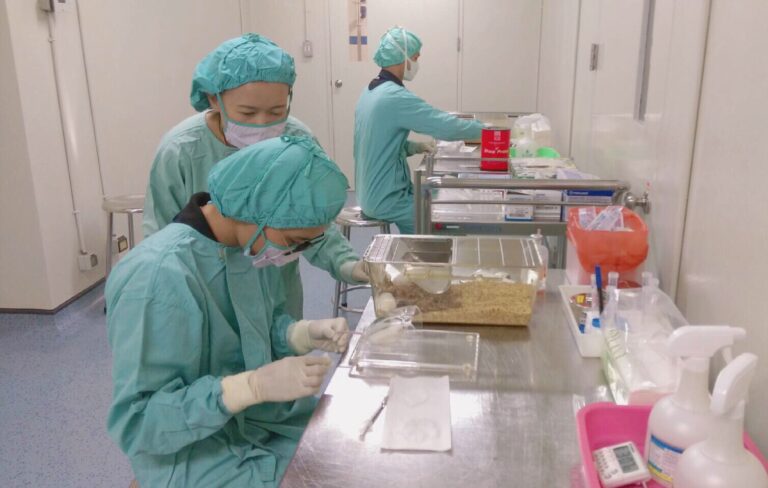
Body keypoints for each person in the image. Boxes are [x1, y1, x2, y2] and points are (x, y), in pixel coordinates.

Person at [107, 136, 351, 487]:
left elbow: (255, 328)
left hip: (259, 422)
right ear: (258, 211)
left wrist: (300, 333)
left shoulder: (244, 246)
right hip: (191, 451)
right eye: (295, 240)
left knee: (346, 451)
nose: (296, 252)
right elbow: (139, 422)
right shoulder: (156, 278)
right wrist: (247, 388)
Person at [143, 34, 366, 319]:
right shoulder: (181, 152)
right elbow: (161, 244)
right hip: (208, 300)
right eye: (247, 113)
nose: (263, 125)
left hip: (276, 294)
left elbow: (311, 221)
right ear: (214, 99)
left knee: (284, 341)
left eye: (276, 111)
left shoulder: (296, 141)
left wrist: (347, 264)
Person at [354, 26, 485, 234]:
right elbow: (443, 125)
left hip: (369, 192)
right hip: (386, 199)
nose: (416, 63)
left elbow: (377, 142)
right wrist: (486, 131)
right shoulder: (393, 97)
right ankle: (425, 252)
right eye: (415, 58)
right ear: (402, 57)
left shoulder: (370, 91)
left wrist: (416, 147)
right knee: (441, 217)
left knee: (429, 200)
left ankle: (415, 248)